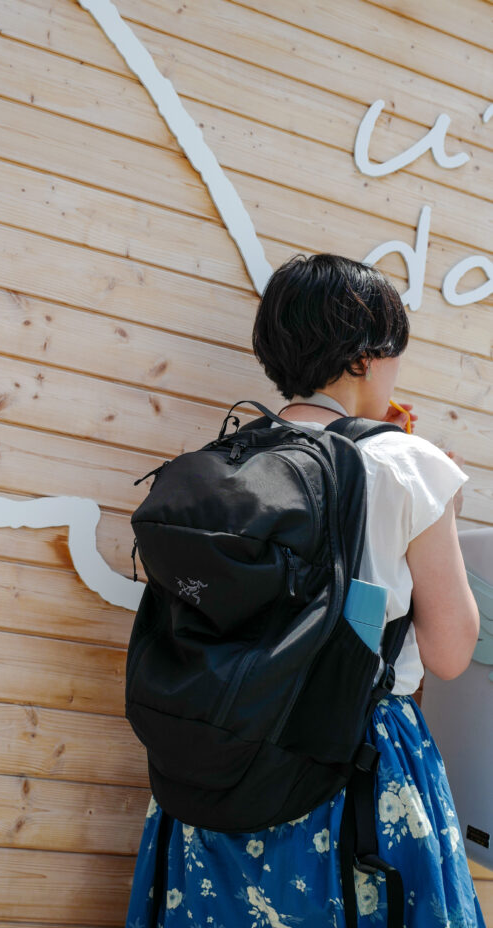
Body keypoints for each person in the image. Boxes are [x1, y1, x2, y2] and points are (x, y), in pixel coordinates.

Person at [125, 253, 485, 927]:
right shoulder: (408, 463)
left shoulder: (228, 461)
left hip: (219, 762)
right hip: (353, 757)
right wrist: (443, 506)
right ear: (366, 357)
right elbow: (448, 651)